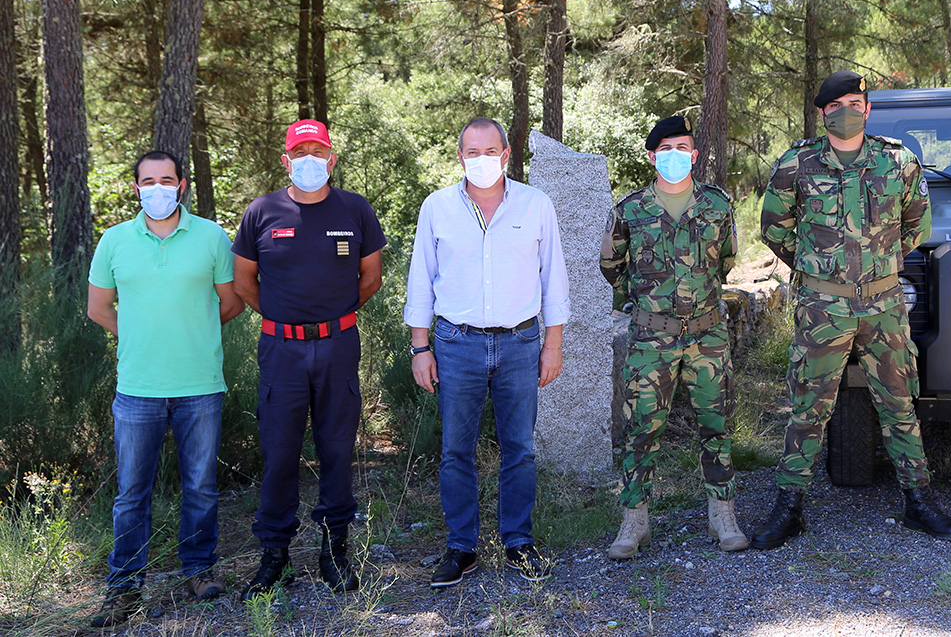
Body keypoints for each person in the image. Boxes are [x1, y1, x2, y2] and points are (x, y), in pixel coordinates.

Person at [752, 71, 951, 549]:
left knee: (899, 403)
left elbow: (916, 226)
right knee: (809, 406)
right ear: (823, 112)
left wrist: (879, 267)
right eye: (837, 105)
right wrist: (820, 271)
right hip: (822, 306)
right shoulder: (797, 163)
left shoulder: (899, 161)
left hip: (885, 304)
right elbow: (775, 228)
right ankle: (789, 508)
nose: (847, 111)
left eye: (856, 102)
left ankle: (919, 501)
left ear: (868, 109)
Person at [405, 117, 570, 587]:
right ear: (460, 157)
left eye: (490, 151)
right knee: (457, 450)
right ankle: (462, 548)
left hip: (520, 342)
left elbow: (552, 277)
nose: (482, 160)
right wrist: (421, 347)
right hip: (456, 344)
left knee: (519, 448)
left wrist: (552, 343)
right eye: (472, 153)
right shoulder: (437, 207)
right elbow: (421, 280)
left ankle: (518, 542)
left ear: (506, 155)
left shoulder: (536, 205)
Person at [86, 151, 244, 627]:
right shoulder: (114, 241)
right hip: (138, 389)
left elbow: (232, 301)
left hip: (200, 385)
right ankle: (124, 588)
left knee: (201, 486)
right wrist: (140, 336)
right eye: (148, 181)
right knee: (133, 492)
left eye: (167, 180)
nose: (158, 188)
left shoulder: (212, 237)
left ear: (182, 185)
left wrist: (192, 332)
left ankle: (198, 571)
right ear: (136, 187)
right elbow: (98, 309)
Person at [232, 119, 386, 598]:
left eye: (318, 152)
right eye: (301, 153)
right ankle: (274, 556)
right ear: (286, 161)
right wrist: (287, 321)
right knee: (279, 453)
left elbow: (370, 278)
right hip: (281, 350)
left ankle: (333, 550)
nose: (310, 161)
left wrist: (328, 322)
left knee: (337, 449)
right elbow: (244, 283)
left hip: (338, 346)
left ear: (332, 159)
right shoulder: (262, 212)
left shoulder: (355, 209)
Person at [599, 115, 747, 559]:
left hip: (708, 337)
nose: (676, 156)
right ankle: (634, 521)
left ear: (694, 155)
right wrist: (643, 305)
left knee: (716, 427)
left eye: (683, 148)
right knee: (641, 430)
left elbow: (725, 261)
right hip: (650, 341)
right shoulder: (629, 210)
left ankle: (723, 515)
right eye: (667, 150)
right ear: (651, 157)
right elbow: (611, 267)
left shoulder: (718, 205)